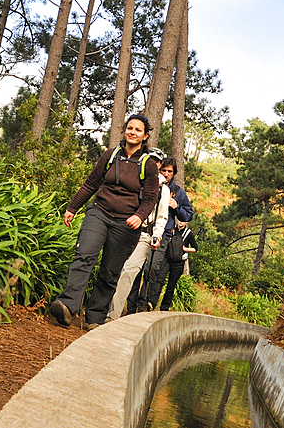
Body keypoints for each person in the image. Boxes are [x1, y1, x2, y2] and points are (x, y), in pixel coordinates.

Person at [48, 114, 160, 330]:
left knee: (110, 271)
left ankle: (95, 318)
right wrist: (72, 207)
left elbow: (150, 199)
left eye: (138, 130)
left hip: (126, 224)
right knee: (84, 255)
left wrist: (139, 216)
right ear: (125, 130)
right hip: (99, 213)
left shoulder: (149, 165)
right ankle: (67, 305)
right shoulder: (110, 155)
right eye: (130, 128)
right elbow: (91, 183)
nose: (132, 132)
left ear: (145, 136)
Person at [105, 168, 170, 322]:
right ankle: (100, 309)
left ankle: (112, 316)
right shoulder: (133, 178)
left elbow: (161, 216)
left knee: (128, 271)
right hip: (123, 230)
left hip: (145, 235)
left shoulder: (163, 189)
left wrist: (157, 235)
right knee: (111, 269)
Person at [138, 158, 194, 312]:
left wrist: (176, 207)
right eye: (164, 170)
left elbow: (188, 215)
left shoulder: (178, 192)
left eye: (170, 171)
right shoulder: (151, 185)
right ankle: (134, 304)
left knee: (154, 269)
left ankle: (148, 303)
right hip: (143, 230)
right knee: (140, 267)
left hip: (164, 236)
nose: (166, 174)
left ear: (174, 173)